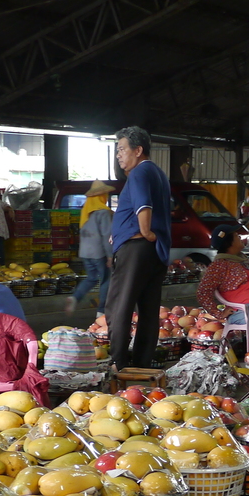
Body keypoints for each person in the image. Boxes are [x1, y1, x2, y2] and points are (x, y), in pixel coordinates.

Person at [105, 125, 172, 369]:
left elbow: (144, 206)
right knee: (148, 309)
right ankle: (142, 363)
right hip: (154, 252)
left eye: (122, 149)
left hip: (137, 249)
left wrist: (144, 232)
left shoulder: (139, 174)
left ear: (138, 150)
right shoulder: (158, 173)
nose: (118, 155)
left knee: (118, 307)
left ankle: (119, 363)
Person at [66, 180, 114, 315]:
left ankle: (75, 297)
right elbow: (106, 235)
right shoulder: (103, 212)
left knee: (92, 278)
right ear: (102, 196)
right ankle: (102, 311)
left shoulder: (86, 211)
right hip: (99, 253)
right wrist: (110, 255)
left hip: (85, 253)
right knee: (105, 280)